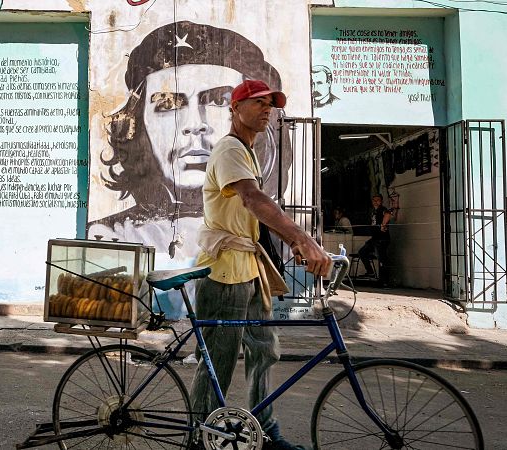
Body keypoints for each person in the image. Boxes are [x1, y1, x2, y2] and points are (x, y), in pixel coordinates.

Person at [192, 79, 332, 450]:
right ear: (235, 108)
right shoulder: (229, 149)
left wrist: (292, 244)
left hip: (250, 268)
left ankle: (264, 430)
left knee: (264, 350)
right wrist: (302, 239)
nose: (266, 108)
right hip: (224, 271)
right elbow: (252, 199)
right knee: (217, 361)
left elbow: (255, 214)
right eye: (257, 102)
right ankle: (200, 436)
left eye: (270, 103)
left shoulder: (247, 152)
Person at [88, 21, 293, 260]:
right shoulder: (110, 236)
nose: (195, 124)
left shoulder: (271, 233)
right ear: (139, 123)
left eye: (217, 101)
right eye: (168, 104)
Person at [357, 194, 392, 283]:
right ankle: (370, 272)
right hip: (375, 238)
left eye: (378, 200)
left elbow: (388, 214)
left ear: (381, 201)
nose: (376, 202)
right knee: (362, 252)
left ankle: (385, 281)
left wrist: (383, 224)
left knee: (382, 259)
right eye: (374, 200)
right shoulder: (373, 211)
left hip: (382, 239)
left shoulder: (382, 209)